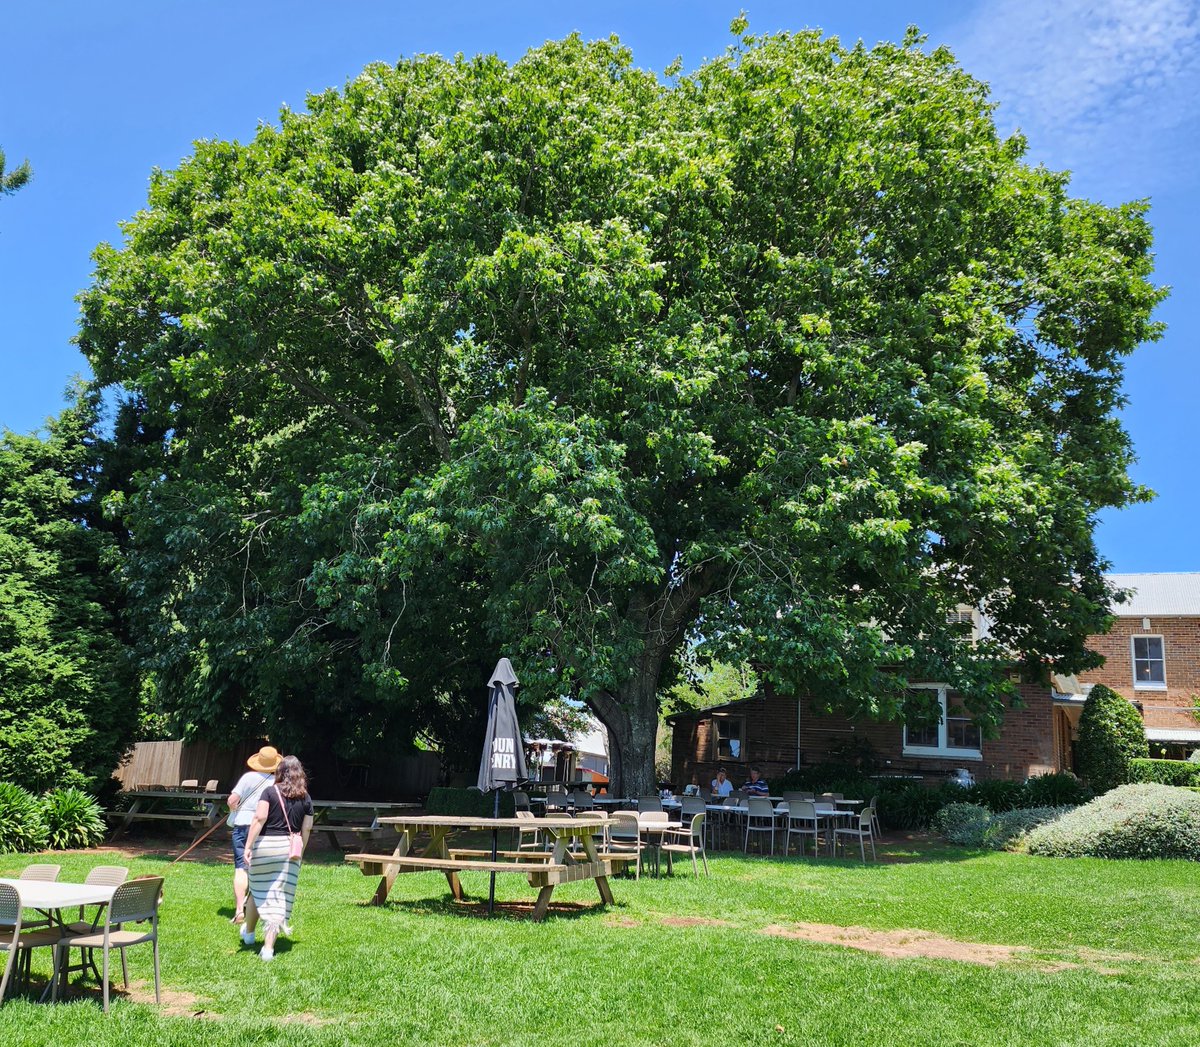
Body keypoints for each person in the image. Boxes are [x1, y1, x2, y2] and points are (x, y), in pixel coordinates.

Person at [240, 754, 314, 961]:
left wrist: (248, 846)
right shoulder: (306, 798)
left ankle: (249, 933)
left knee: (256, 889)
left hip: (265, 847)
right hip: (289, 851)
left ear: (280, 772)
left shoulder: (269, 792)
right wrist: (300, 852)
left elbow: (260, 818)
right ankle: (268, 948)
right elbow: (306, 828)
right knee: (278, 896)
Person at [226, 745, 280, 924]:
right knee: (260, 869)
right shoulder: (277, 782)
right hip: (265, 827)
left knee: (241, 868)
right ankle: (261, 908)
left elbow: (232, 800)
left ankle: (240, 910)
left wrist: (236, 808)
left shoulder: (248, 777)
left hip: (243, 825)